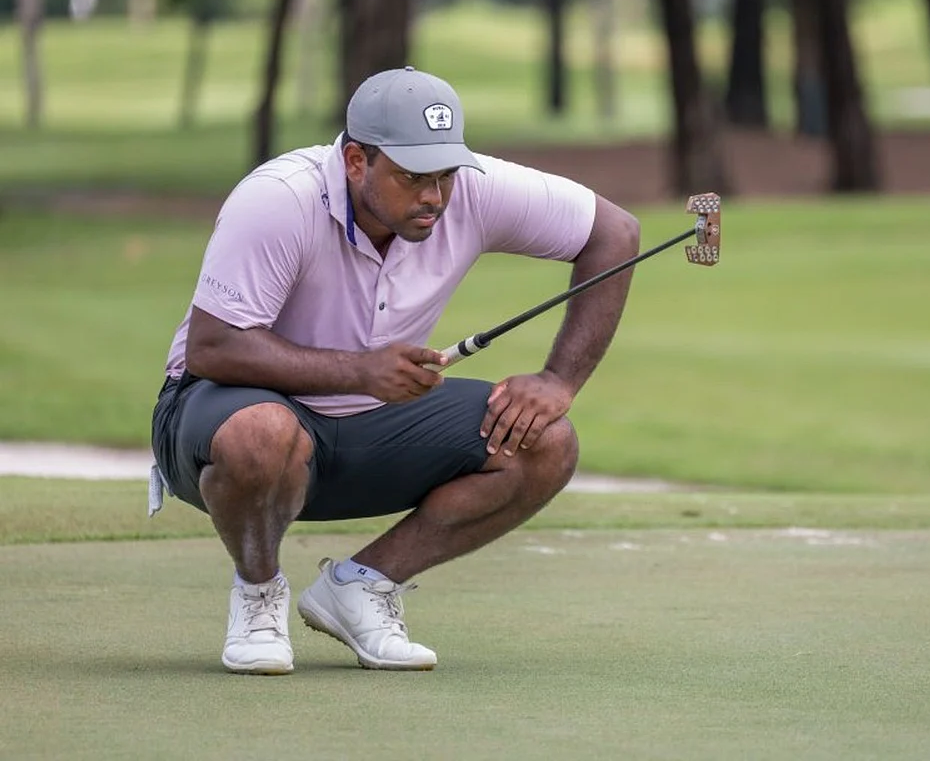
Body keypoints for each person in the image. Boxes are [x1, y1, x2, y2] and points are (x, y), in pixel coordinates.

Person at [149, 66, 640, 674]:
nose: (434, 196)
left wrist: (559, 380)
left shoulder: (469, 190)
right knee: (264, 433)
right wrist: (360, 372)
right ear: (357, 161)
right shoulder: (279, 199)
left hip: (370, 424)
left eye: (445, 174)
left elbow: (615, 233)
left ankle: (361, 587)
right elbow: (213, 347)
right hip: (217, 416)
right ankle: (258, 594)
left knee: (545, 443)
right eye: (413, 176)